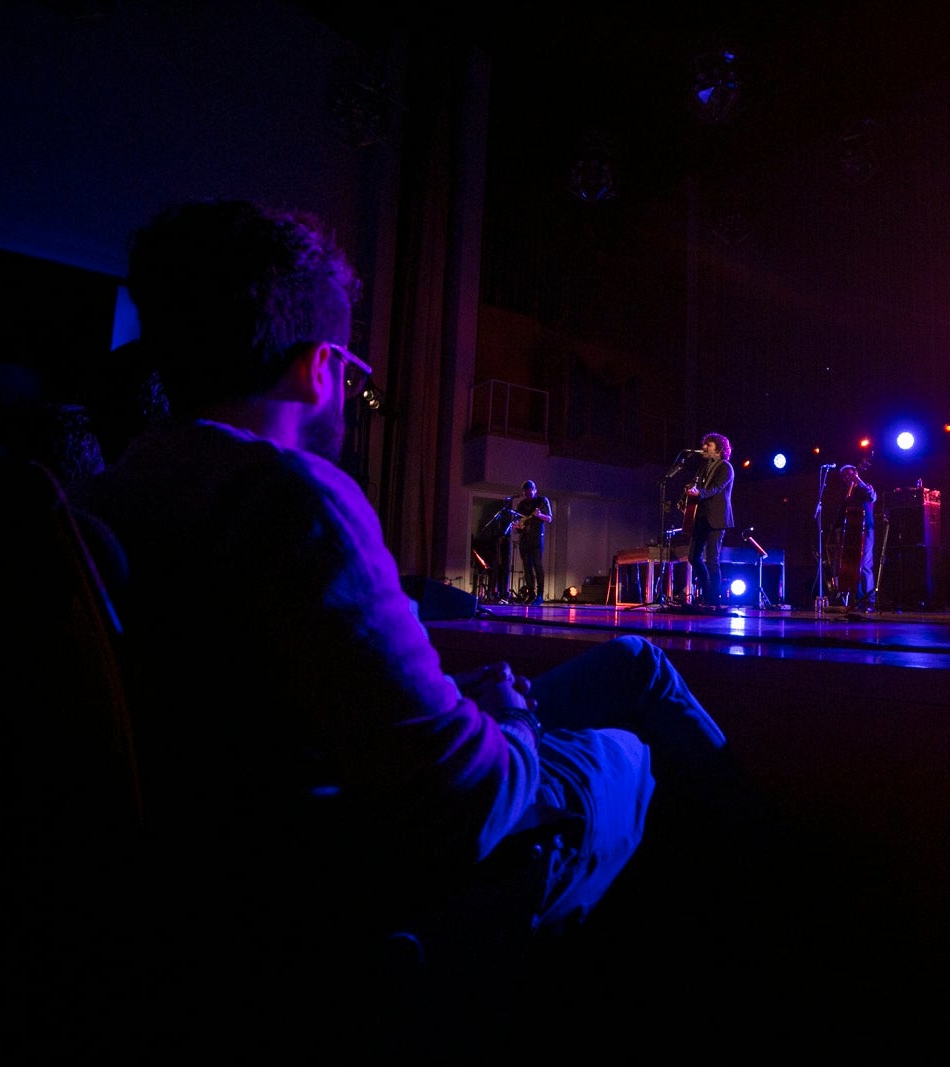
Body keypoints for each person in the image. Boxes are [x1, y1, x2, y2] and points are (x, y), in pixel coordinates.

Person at [74, 200, 746, 1047]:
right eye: (352, 373)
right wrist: (503, 719)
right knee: (631, 748)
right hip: (356, 863)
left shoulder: (110, 496)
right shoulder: (289, 496)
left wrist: (466, 701)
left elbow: (276, 693)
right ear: (319, 368)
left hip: (279, 825)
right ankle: (751, 922)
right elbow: (469, 801)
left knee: (634, 662)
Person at [684, 432, 734, 610]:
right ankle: (707, 594)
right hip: (702, 518)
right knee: (693, 557)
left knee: (712, 560)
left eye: (709, 446)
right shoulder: (704, 467)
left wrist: (700, 493)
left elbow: (716, 488)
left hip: (717, 519)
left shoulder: (726, 467)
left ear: (719, 449)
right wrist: (688, 492)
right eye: (705, 445)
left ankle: (714, 600)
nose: (704, 448)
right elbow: (698, 485)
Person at [834, 464, 878, 611]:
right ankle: (858, 600)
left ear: (856, 472)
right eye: (845, 476)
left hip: (866, 530)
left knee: (865, 565)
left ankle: (870, 600)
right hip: (851, 534)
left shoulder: (865, 487)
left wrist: (858, 479)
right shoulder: (848, 494)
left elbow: (872, 496)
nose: (847, 477)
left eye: (849, 474)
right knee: (853, 567)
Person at [514, 479, 552, 605]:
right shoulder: (521, 505)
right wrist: (517, 527)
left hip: (536, 538)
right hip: (524, 539)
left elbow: (549, 518)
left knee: (537, 565)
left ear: (535, 490)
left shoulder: (542, 501)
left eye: (530, 494)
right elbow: (518, 522)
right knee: (527, 567)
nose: (528, 496)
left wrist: (540, 515)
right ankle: (531, 594)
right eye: (526, 494)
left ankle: (540, 595)